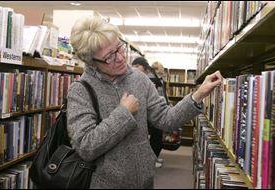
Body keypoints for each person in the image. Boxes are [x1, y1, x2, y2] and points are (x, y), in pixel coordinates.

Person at [68, 15, 223, 189]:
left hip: (143, 180)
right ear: (92, 62)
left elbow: (166, 119)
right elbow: (86, 147)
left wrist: (199, 94)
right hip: (104, 183)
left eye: (119, 48)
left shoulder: (139, 79)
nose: (120, 58)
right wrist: (124, 113)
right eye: (109, 56)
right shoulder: (81, 90)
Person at [131, 57, 167, 168]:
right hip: (149, 113)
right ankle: (151, 160)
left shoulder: (154, 79)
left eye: (138, 66)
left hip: (152, 110)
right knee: (154, 138)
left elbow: (160, 94)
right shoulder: (150, 79)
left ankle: (152, 159)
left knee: (154, 138)